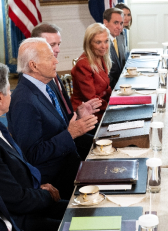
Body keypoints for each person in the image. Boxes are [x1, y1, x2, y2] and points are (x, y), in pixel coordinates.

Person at [7, 38, 98, 200]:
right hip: (57, 179)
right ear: (33, 65)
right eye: (50, 58)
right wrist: (70, 134)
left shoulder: (47, 84)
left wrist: (78, 115)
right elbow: (32, 155)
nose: (56, 60)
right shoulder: (23, 101)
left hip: (71, 162)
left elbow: (57, 126)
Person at [0, 63, 67, 231]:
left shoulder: (2, 128)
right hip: (22, 219)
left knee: (87, 210)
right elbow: (17, 200)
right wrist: (47, 195)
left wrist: (39, 188)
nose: (12, 93)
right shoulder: (24, 101)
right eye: (9, 90)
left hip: (32, 197)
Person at [31, 22, 102, 160]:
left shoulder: (51, 72)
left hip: (69, 132)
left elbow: (61, 114)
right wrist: (70, 133)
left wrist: (79, 114)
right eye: (52, 45)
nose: (57, 49)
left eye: (59, 44)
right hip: (58, 148)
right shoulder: (35, 84)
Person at [70, 23, 112, 122]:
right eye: (98, 42)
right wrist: (112, 106)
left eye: (106, 41)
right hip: (87, 113)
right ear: (89, 44)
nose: (104, 46)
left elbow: (106, 88)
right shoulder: (84, 64)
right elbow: (91, 98)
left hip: (101, 107)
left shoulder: (101, 57)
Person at [103, 8, 124, 89]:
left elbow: (122, 64)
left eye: (121, 23)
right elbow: (105, 75)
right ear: (105, 23)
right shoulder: (102, 42)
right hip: (110, 88)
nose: (119, 27)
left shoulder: (120, 37)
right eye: (116, 23)